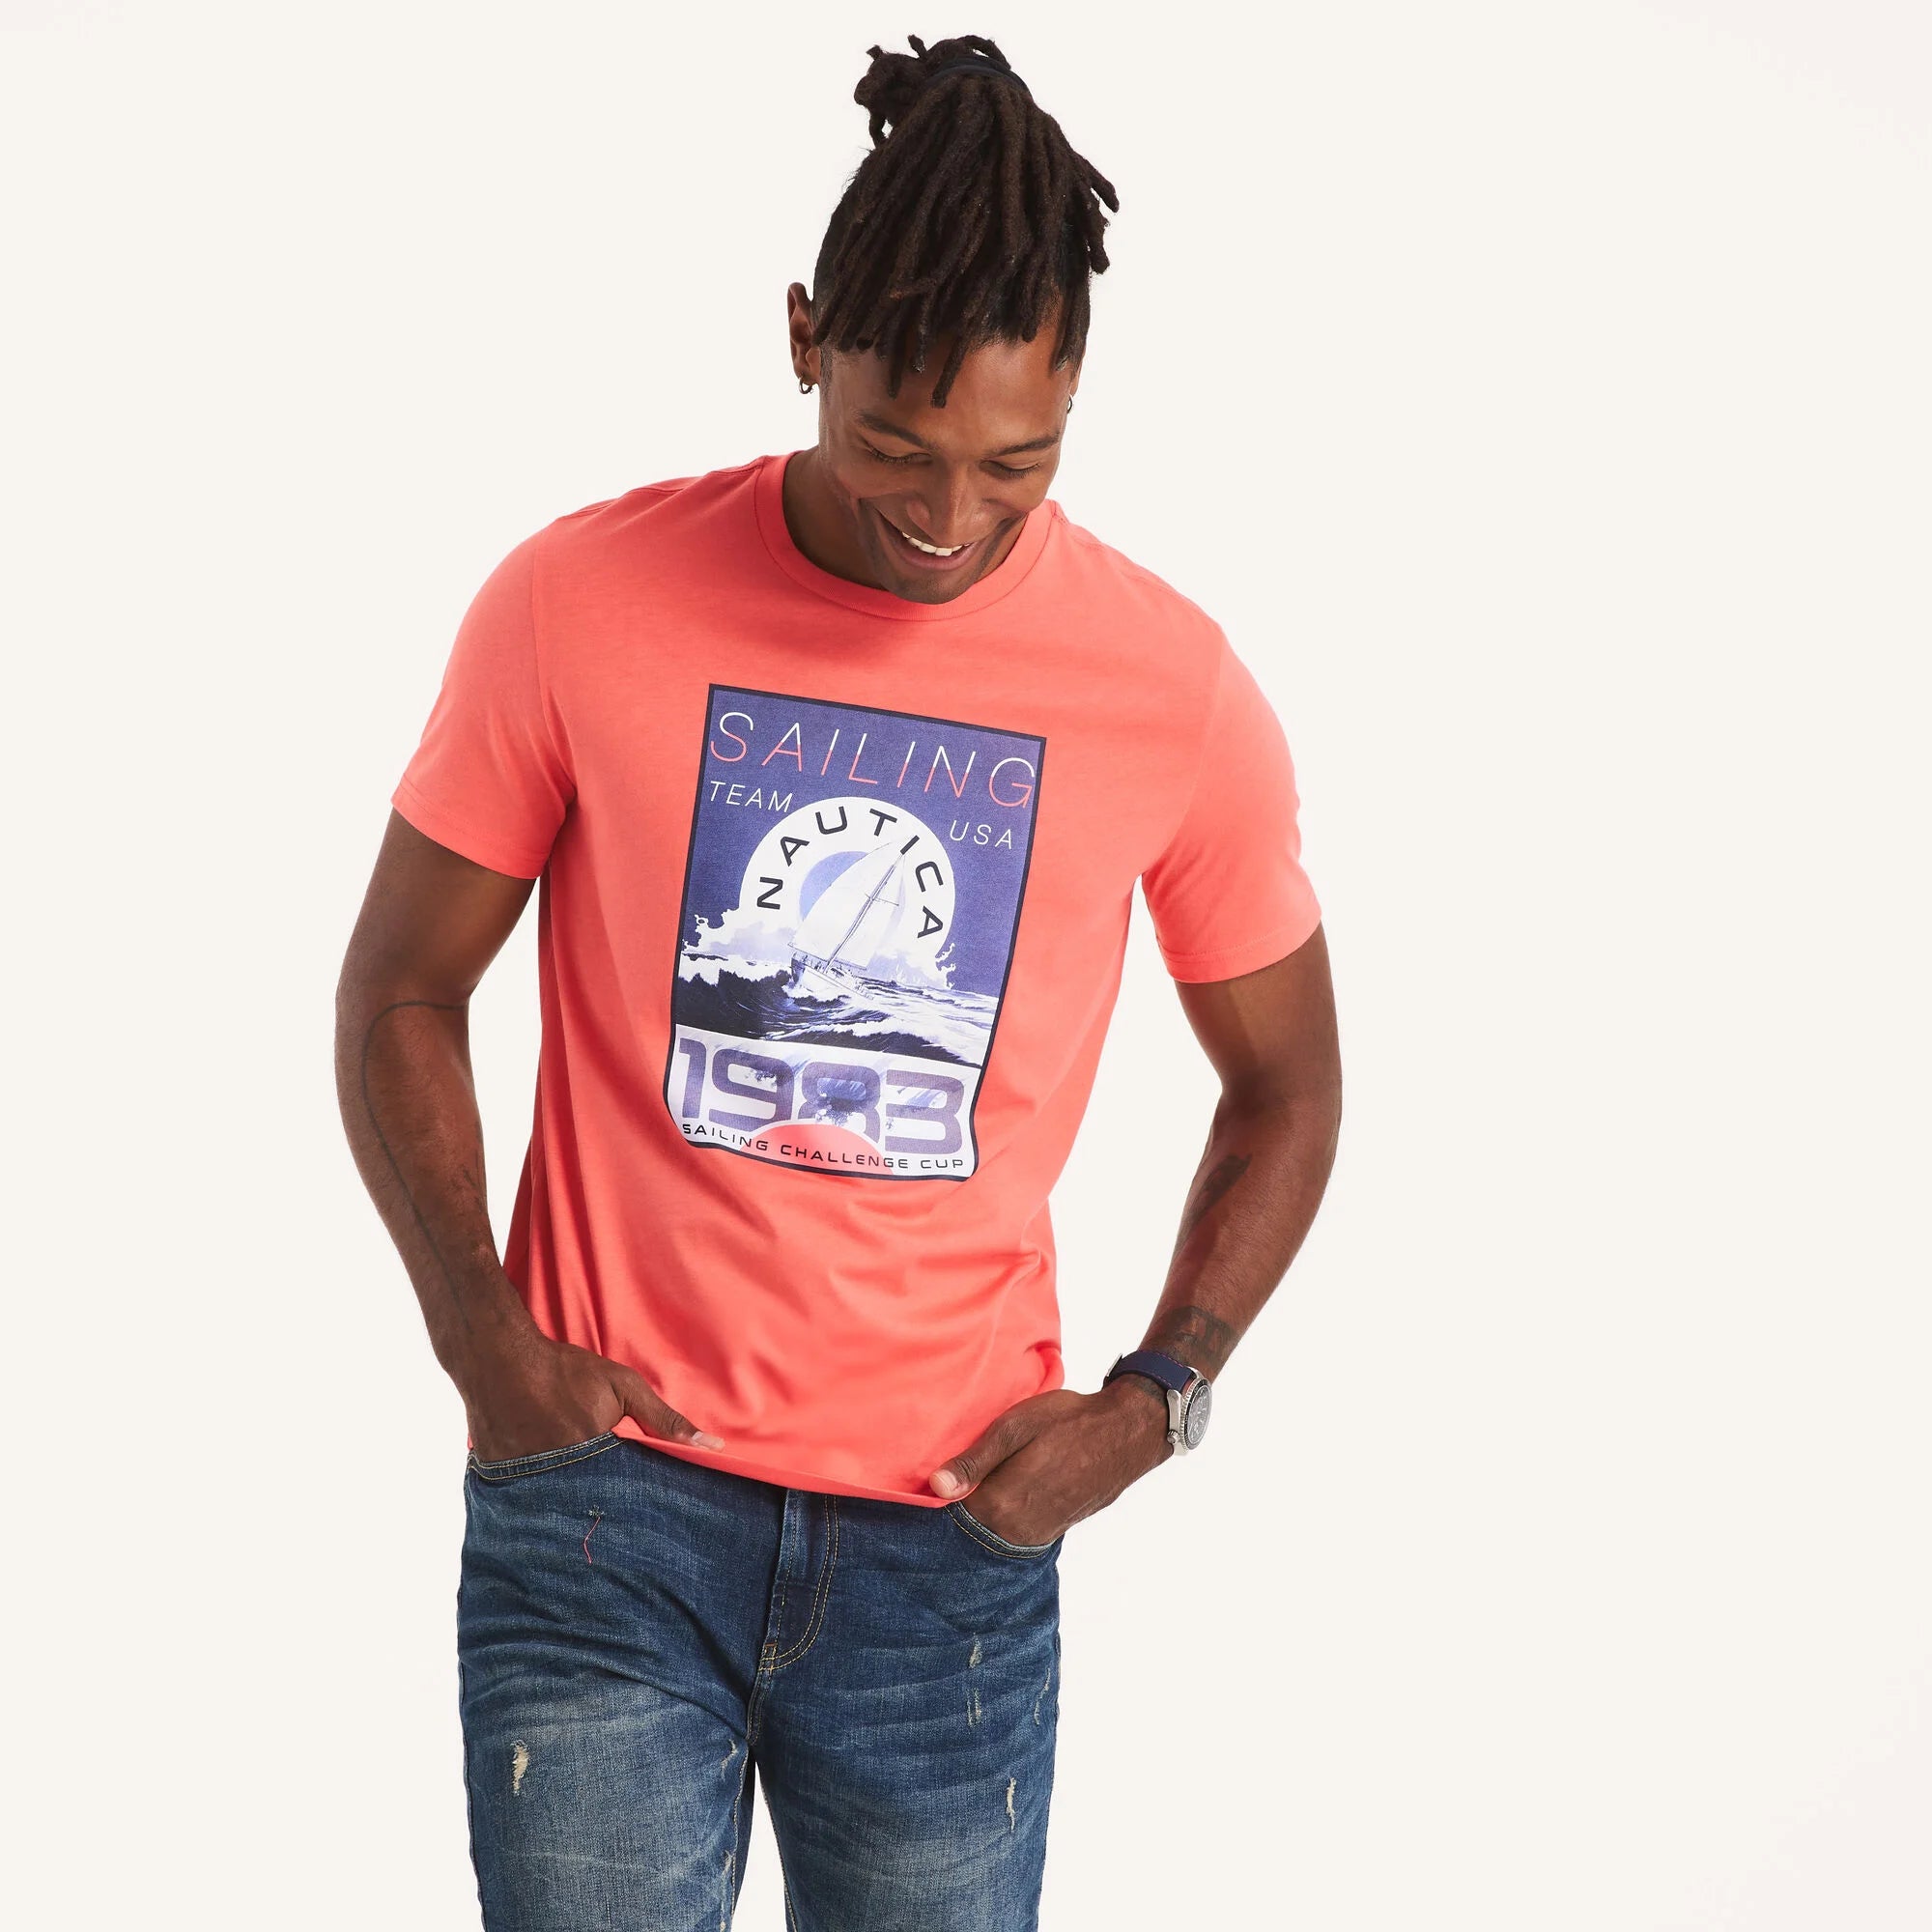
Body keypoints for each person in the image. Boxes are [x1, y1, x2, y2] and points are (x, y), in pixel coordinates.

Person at [334, 30, 1342, 1932]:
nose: (949, 515)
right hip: (607, 1509)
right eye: (897, 445)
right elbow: (400, 985)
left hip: (952, 1542)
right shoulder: (576, 600)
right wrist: (480, 1338)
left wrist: (1158, 1398)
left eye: (1016, 464)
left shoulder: (1171, 687)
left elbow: (1287, 1074)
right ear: (806, 336)